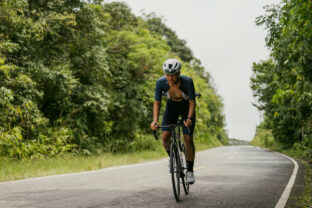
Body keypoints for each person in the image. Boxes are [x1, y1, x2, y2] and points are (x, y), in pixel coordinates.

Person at [150, 58, 196, 184]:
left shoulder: (187, 82)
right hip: (172, 107)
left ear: (178, 73)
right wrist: (154, 121)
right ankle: (173, 159)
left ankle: (190, 171)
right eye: (167, 75)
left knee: (188, 138)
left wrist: (190, 118)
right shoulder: (161, 83)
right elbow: (157, 103)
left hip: (186, 107)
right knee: (165, 137)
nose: (170, 78)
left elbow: (192, 103)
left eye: (173, 75)